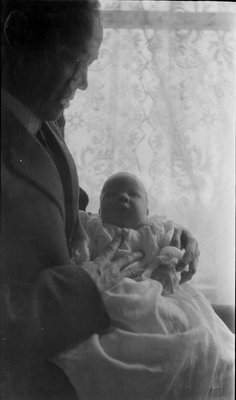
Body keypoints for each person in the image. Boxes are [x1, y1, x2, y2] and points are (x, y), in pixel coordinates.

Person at [1, 1, 200, 399]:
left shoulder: (41, 116)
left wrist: (163, 235)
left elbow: (55, 212)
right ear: (21, 37)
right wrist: (86, 283)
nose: (85, 82)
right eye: (77, 60)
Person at [53, 172, 235, 400]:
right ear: (99, 210)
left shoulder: (156, 230)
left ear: (147, 212)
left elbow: (173, 252)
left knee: (187, 333)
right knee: (109, 341)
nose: (123, 198)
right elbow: (79, 251)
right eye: (112, 195)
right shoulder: (91, 227)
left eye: (133, 194)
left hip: (154, 289)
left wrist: (169, 261)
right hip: (107, 289)